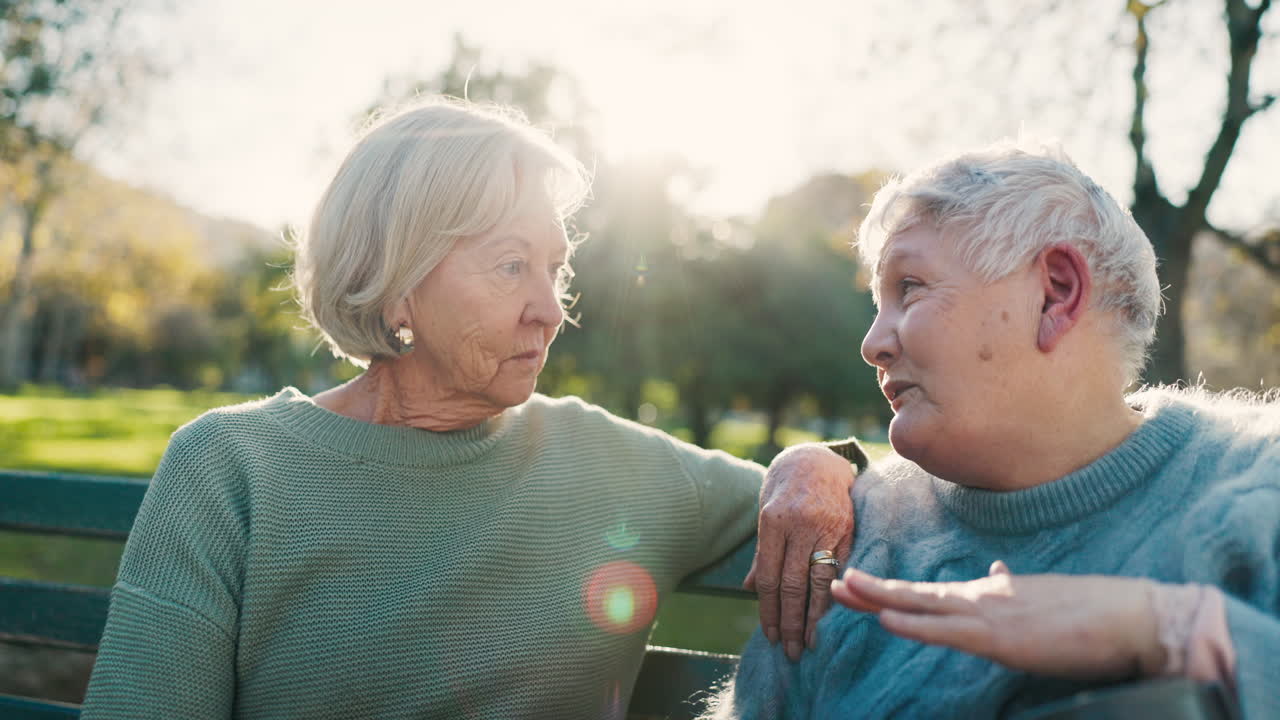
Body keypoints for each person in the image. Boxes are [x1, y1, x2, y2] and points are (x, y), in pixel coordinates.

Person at [79, 98, 865, 720]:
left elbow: (825, 485)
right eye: (511, 265)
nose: (550, 310)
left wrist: (812, 461)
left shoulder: (615, 461)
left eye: (554, 270)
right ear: (397, 283)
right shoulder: (230, 467)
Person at [708, 141, 1280, 719]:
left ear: (1056, 293)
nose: (872, 344)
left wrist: (1170, 630)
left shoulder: (1262, 489)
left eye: (909, 287)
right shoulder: (849, 532)